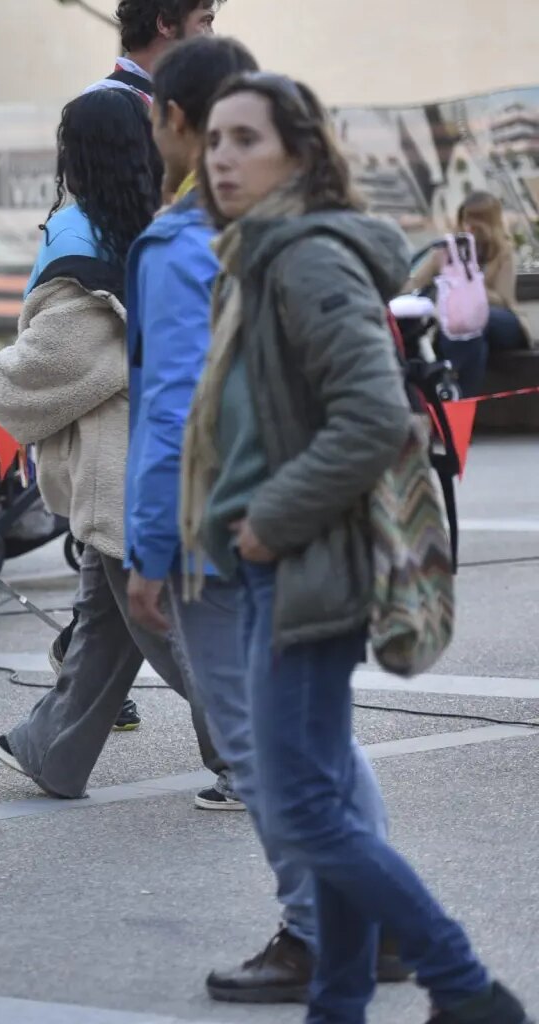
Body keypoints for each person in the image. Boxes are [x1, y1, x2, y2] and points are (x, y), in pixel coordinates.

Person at [185, 70, 531, 1024]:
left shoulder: (304, 260)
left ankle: (465, 986)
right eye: (213, 140)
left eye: (246, 139)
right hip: (276, 564)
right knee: (322, 800)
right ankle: (337, 1005)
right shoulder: (258, 259)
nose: (222, 159)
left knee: (301, 809)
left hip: (305, 561)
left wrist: (270, 519)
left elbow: (374, 415)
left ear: (301, 154)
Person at [121, 36, 403, 1002]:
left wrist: (151, 546)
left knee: (264, 750)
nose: (219, 155)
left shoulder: (183, 243)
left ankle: (324, 930)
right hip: (281, 521)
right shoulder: (279, 235)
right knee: (315, 744)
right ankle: (374, 923)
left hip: (222, 528)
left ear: (170, 119)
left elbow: (175, 408)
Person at [0, 89, 228, 804]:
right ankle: (51, 749)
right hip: (164, 448)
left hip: (121, 464)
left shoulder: (83, 245)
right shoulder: (163, 229)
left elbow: (57, 359)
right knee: (106, 625)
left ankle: (253, 756)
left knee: (166, 625)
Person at [404, 191, 533, 395]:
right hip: (465, 328)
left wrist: (469, 282)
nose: (469, 226)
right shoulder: (448, 251)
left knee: (474, 318)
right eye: (465, 219)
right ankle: (461, 396)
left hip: (502, 322)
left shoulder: (502, 252)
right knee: (475, 340)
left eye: (477, 221)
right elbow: (415, 282)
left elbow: (505, 300)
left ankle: (450, 377)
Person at [88, 0, 222, 100]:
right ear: (166, 24)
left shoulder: (177, 102)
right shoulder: (103, 103)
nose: (211, 35)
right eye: (205, 21)